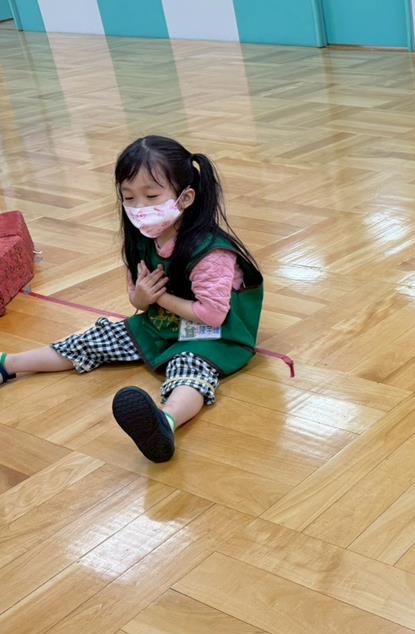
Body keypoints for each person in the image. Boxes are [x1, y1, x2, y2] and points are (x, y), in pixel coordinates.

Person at [0, 136, 263, 463]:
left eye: (151, 196)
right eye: (129, 197)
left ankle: (165, 421)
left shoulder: (210, 252)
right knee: (95, 339)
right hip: (161, 324)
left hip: (214, 335)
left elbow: (212, 315)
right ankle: (7, 364)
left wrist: (159, 298)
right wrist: (141, 298)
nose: (139, 207)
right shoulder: (141, 239)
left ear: (185, 198)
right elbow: (137, 299)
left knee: (190, 369)